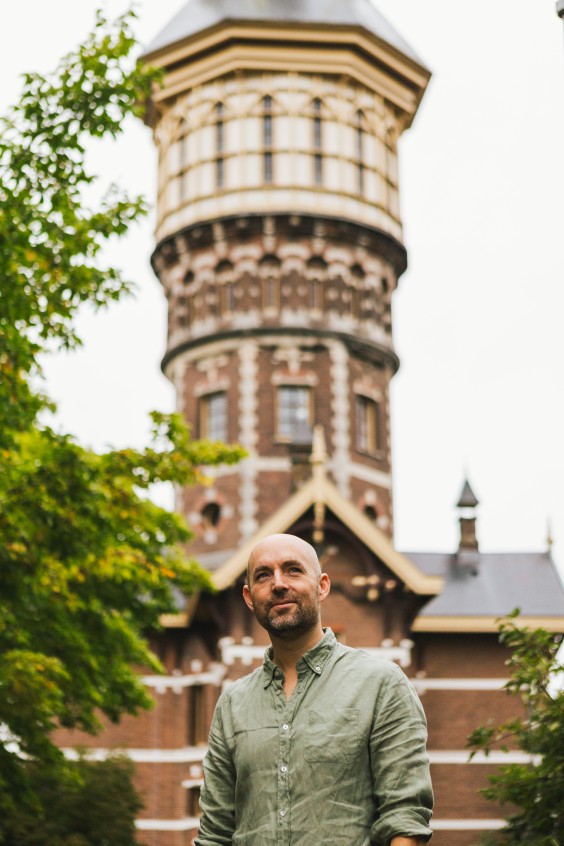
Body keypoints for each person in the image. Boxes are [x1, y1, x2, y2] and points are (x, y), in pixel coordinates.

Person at [195, 533, 433, 846]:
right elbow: (214, 834)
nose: (278, 584)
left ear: (322, 586)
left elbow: (405, 816)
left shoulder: (381, 684)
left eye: (293, 570)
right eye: (263, 575)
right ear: (249, 596)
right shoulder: (232, 703)